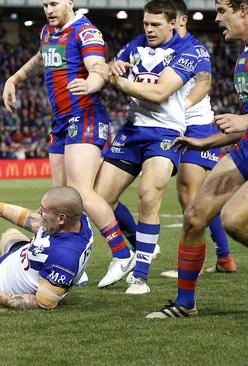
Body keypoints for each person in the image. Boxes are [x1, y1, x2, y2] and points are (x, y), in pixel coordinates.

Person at [2, 0, 122, 283]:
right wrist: (15, 78)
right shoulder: (48, 31)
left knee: (80, 190)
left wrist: (91, 83)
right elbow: (41, 57)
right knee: (60, 199)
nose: (49, 9)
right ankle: (71, 262)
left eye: (54, 3)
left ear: (70, 2)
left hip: (85, 114)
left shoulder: (85, 31)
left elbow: (98, 67)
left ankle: (121, 255)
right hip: (61, 120)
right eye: (44, 4)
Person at [147, 0, 248, 318]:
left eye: (222, 10)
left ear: (244, 9)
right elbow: (241, 124)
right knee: (194, 217)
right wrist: (204, 141)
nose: (217, 18)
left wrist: (246, 122)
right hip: (246, 148)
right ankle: (185, 304)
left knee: (233, 219)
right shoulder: (243, 57)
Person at [90, 0, 201, 294]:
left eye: (156, 25)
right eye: (146, 24)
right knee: (100, 199)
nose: (149, 30)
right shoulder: (135, 45)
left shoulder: (187, 52)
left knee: (148, 197)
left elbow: (159, 94)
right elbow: (107, 67)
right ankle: (141, 248)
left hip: (165, 133)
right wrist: (109, 66)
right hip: (132, 130)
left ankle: (139, 277)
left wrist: (119, 82)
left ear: (174, 23)